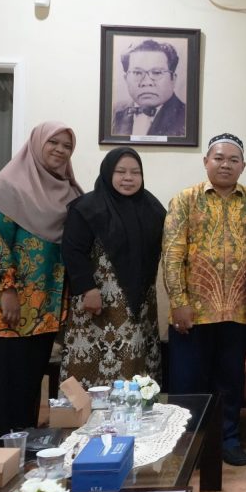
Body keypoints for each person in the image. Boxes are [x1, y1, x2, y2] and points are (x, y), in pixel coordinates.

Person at [0, 121, 82, 447]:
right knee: (4, 377)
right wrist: (8, 290)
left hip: (45, 308)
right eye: (52, 142)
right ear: (36, 144)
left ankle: (21, 445)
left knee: (27, 379)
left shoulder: (69, 192)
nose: (59, 150)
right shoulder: (6, 187)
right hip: (7, 306)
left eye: (66, 146)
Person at [162, 133, 246, 466]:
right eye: (219, 158)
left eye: (233, 160)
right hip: (194, 312)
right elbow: (173, 254)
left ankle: (228, 440)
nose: (226, 164)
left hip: (239, 310)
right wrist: (179, 301)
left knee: (230, 381)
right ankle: (187, 444)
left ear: (243, 166)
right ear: (206, 161)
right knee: (188, 383)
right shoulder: (185, 200)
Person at [59, 148, 166, 389]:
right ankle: (83, 421)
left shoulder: (153, 208)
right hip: (97, 301)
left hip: (140, 306)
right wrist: (87, 288)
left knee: (135, 364)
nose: (128, 178)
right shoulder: (86, 207)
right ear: (108, 173)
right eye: (120, 172)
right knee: (91, 368)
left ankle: (134, 419)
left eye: (135, 172)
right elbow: (73, 251)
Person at [112, 39, 187, 137]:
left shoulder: (187, 117)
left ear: (173, 79)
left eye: (157, 73)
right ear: (126, 79)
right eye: (137, 73)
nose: (147, 82)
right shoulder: (114, 112)